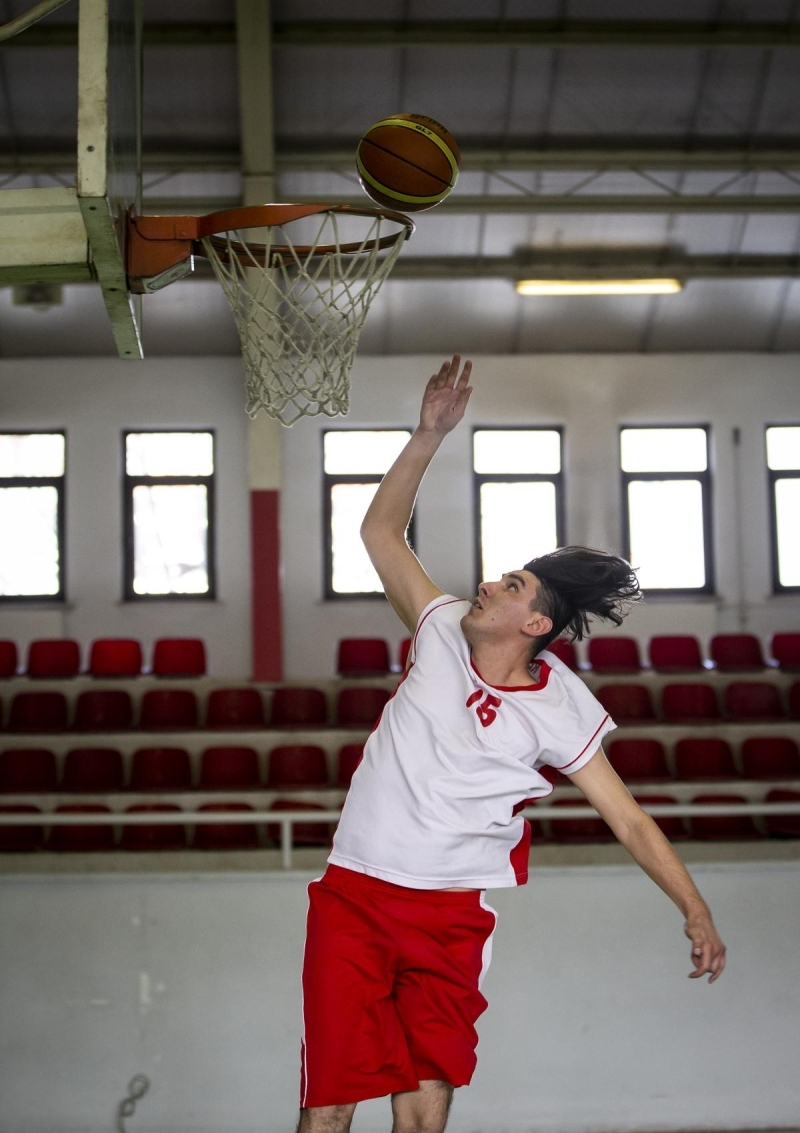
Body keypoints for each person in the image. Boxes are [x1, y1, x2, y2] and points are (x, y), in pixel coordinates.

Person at [297, 355, 726, 1133]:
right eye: (503, 575)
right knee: (329, 1101)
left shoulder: (562, 704)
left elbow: (629, 819)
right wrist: (428, 434)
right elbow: (378, 530)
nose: (491, 582)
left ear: (535, 627)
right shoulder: (438, 628)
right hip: (355, 894)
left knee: (423, 1109)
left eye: (513, 586)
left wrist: (694, 908)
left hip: (452, 913)